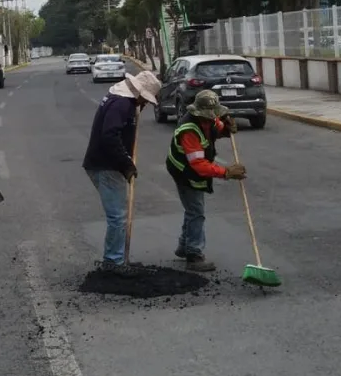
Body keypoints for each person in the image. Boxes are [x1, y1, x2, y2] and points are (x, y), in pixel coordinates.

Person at [82, 70, 162, 274]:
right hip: (106, 164)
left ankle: (118, 257)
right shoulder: (122, 104)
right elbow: (109, 135)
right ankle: (114, 261)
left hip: (103, 163)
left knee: (118, 215)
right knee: (117, 216)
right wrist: (126, 162)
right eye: (144, 100)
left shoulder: (120, 100)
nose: (144, 104)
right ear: (139, 92)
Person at [166, 89, 245, 272]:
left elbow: (216, 127)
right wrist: (226, 172)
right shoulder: (189, 130)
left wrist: (226, 128)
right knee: (196, 212)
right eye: (210, 116)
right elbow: (199, 165)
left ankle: (184, 246)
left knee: (192, 209)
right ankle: (194, 255)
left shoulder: (208, 120)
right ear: (199, 112)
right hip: (184, 171)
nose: (212, 119)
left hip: (191, 169)